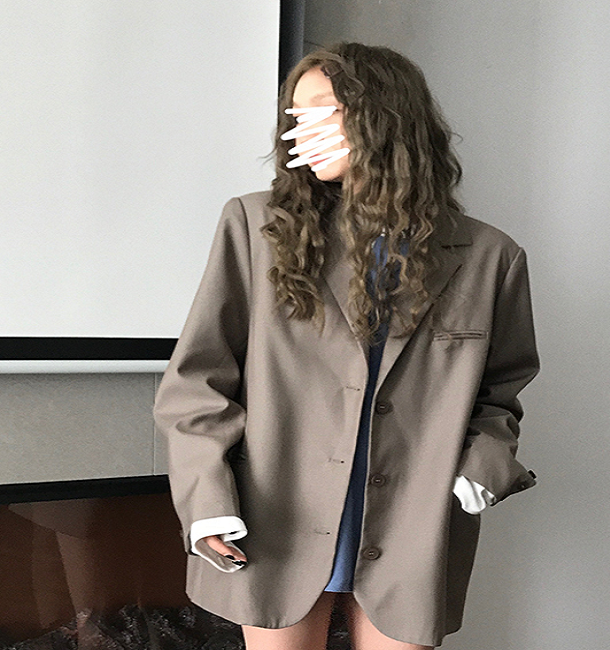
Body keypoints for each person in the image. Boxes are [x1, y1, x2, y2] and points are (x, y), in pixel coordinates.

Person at [153, 42, 540, 650]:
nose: (302, 128)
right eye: (296, 114)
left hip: (413, 524)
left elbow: (501, 390)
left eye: (325, 110)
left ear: (385, 117)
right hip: (274, 513)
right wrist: (207, 497)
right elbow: (196, 381)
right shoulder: (256, 229)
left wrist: (483, 465)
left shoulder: (491, 257)